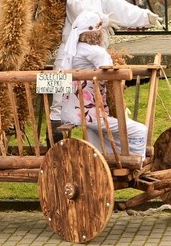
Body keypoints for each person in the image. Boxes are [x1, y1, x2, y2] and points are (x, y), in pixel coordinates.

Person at [50, 0, 160, 126]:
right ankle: (55, 135)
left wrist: (145, 16)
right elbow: (79, 10)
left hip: (93, 53)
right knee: (59, 94)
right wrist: (101, 19)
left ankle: (99, 125)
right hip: (73, 50)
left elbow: (120, 7)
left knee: (95, 91)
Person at [55, 10, 148, 158]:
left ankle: (106, 162)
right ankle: (136, 161)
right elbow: (109, 69)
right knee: (140, 130)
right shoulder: (94, 52)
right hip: (90, 114)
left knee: (98, 139)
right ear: (96, 33)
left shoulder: (73, 51)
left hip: (72, 111)